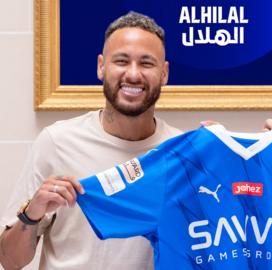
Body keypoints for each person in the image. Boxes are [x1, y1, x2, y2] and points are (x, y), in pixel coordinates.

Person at [0, 12, 181, 269]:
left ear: (164, 73)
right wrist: (32, 214)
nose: (133, 74)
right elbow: (9, 261)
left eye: (146, 63)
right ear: (101, 66)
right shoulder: (57, 142)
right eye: (121, 61)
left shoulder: (182, 153)